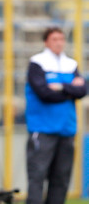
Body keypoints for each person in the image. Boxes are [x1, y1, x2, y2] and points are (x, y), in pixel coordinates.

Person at [25, 27, 87, 204]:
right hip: (43, 129)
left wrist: (60, 87)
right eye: (54, 39)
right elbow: (44, 93)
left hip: (66, 129)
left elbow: (82, 90)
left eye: (61, 39)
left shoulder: (71, 64)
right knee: (37, 177)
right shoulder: (37, 63)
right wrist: (70, 89)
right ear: (46, 42)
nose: (59, 42)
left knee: (61, 180)